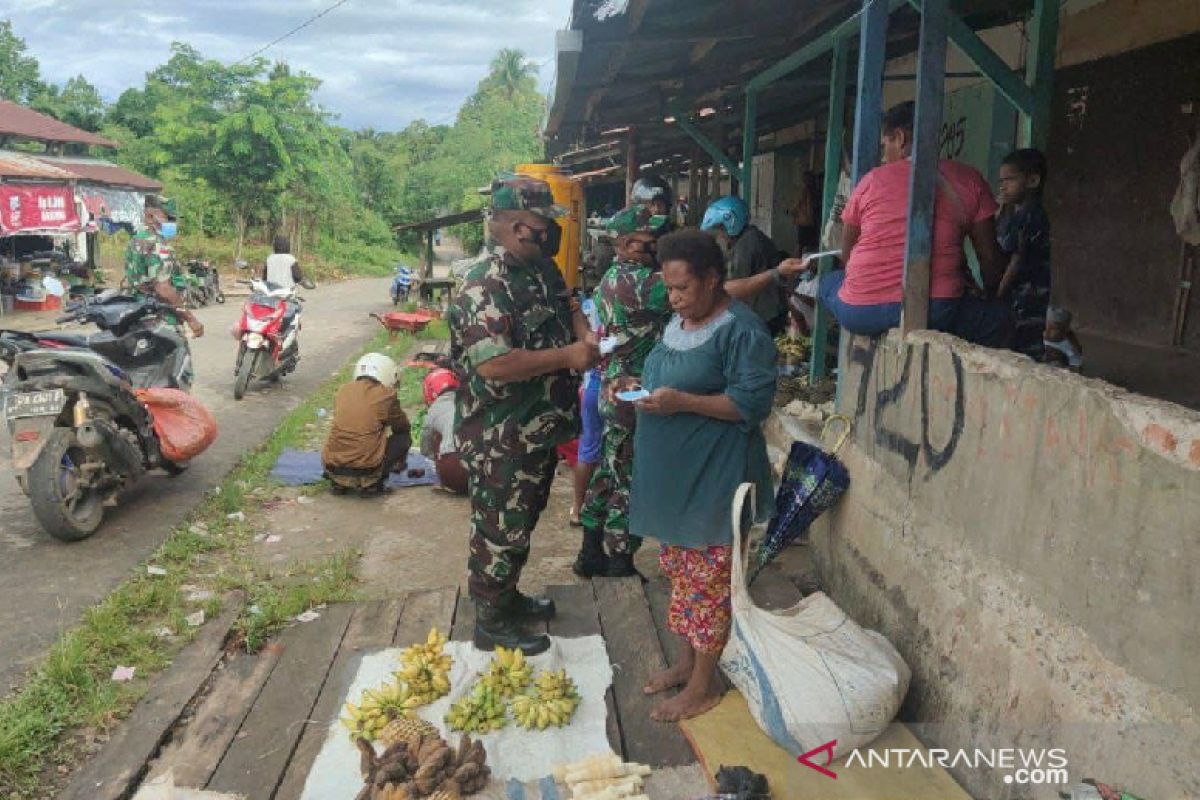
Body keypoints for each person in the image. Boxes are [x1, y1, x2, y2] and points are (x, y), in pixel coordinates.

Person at [626, 229, 777, 721]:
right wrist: (636, 387)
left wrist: (680, 402)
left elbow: (750, 404)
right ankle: (688, 663)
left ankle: (702, 686)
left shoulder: (741, 330)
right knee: (680, 575)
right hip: (676, 483)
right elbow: (667, 376)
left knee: (708, 583)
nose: (673, 298)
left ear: (713, 280)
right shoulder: (680, 323)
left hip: (716, 478)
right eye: (668, 288)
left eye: (682, 288)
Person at [449, 173, 600, 655]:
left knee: (523, 519)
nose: (550, 233)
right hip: (500, 434)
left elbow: (567, 301)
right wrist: (569, 357)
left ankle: (508, 597)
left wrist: (584, 334)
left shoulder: (539, 268)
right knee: (498, 527)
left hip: (536, 427)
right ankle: (491, 621)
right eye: (542, 224)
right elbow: (494, 364)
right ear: (515, 226)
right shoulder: (482, 285)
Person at [819, 101, 1011, 346]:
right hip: (936, 310)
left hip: (861, 311)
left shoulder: (870, 181)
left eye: (884, 145)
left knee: (827, 284)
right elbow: (990, 260)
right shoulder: (968, 179)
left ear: (899, 138)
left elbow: (847, 255)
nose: (884, 155)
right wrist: (988, 297)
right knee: (997, 320)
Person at [574, 204, 673, 578]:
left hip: (611, 384)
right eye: (650, 239)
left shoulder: (611, 278)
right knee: (631, 476)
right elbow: (705, 292)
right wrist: (772, 275)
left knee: (608, 472)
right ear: (628, 243)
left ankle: (589, 551)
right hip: (632, 388)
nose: (656, 245)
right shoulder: (644, 283)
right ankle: (619, 559)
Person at [701, 195, 806, 335]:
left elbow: (734, 286)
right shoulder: (746, 238)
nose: (719, 234)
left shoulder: (748, 243)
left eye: (720, 228)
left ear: (731, 223)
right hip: (765, 311)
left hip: (765, 314)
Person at [322, 353, 412, 495]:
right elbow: (402, 426)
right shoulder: (386, 395)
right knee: (403, 437)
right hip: (368, 468)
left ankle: (339, 483)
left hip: (333, 465)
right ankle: (373, 483)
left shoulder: (343, 390)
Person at [996, 148, 1052, 357]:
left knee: (1024, 347)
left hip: (1026, 295)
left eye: (1010, 180)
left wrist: (998, 291)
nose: (1003, 186)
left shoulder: (1029, 217)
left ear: (1032, 181)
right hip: (1021, 295)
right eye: (1001, 181)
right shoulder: (1016, 214)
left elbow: (1016, 260)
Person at [124, 230, 204, 337]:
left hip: (138, 314)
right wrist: (190, 318)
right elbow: (163, 288)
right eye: (169, 217)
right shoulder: (157, 245)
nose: (173, 223)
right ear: (151, 216)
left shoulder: (135, 241)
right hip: (162, 319)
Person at [419, 366, 468, 495]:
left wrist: (434, 459)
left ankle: (447, 481)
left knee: (435, 435)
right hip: (482, 472)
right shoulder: (470, 400)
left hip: (455, 473)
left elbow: (425, 448)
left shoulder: (434, 409)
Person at [1042, 305, 1083, 370]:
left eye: (1055, 328)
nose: (1051, 332)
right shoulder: (1034, 334)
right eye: (1049, 326)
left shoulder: (1070, 349)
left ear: (1066, 329)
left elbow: (1076, 367)